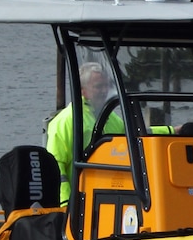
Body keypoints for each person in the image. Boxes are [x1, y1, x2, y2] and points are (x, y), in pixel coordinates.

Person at [45, 62, 180, 206]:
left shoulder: (109, 117)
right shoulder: (66, 121)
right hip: (79, 202)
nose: (104, 90)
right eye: (98, 86)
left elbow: (134, 134)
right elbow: (55, 167)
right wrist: (66, 204)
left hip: (107, 196)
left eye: (106, 85)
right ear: (83, 91)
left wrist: (172, 131)